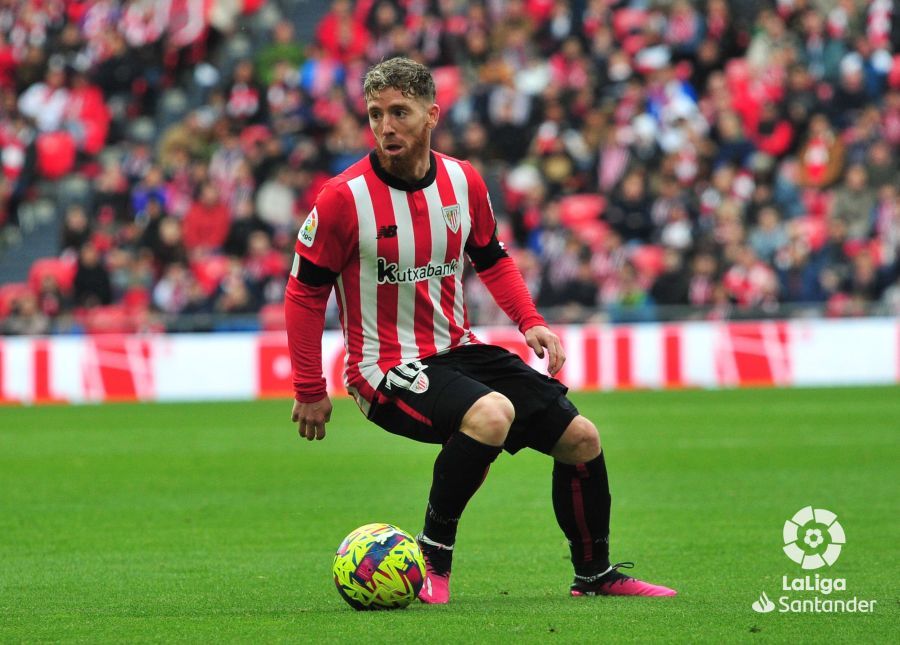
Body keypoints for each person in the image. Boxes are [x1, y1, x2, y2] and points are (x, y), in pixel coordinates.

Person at [284, 58, 676, 604]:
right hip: (384, 368)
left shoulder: (462, 180)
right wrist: (308, 388)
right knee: (491, 414)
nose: (386, 126)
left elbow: (491, 256)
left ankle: (595, 574)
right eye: (375, 115)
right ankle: (432, 561)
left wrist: (530, 321)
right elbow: (304, 292)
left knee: (582, 438)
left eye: (400, 112)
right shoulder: (341, 199)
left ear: (431, 115)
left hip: (460, 350)